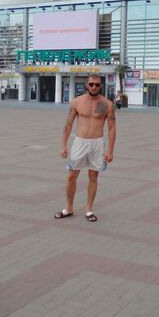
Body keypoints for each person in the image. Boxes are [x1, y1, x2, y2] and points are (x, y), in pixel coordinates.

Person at [55, 74, 116, 222]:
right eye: (91, 84)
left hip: (97, 144)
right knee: (71, 176)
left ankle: (89, 210)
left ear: (101, 86)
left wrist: (110, 150)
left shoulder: (107, 104)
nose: (94, 87)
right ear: (87, 85)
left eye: (97, 85)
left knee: (93, 177)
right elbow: (68, 125)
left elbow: (112, 128)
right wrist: (63, 145)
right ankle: (69, 208)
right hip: (80, 143)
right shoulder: (76, 102)